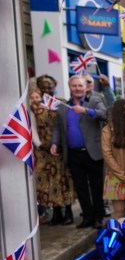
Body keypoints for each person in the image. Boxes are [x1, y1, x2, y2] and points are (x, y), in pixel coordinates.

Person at [51, 74, 108, 228]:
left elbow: (105, 114)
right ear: (70, 87)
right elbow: (58, 127)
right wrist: (55, 143)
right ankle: (87, 216)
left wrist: (85, 110)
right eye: (74, 86)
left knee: (96, 187)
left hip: (92, 152)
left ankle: (98, 216)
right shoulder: (63, 106)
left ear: (85, 87)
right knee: (81, 187)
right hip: (73, 153)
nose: (77, 89)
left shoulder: (94, 101)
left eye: (80, 85)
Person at [29, 86, 76, 225]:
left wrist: (61, 142)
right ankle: (56, 213)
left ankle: (68, 211)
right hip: (43, 151)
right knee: (48, 182)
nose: (35, 100)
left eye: (37, 97)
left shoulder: (56, 105)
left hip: (59, 148)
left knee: (63, 179)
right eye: (31, 98)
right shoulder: (31, 111)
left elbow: (63, 124)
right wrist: (40, 145)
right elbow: (32, 128)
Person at [101, 98, 125, 218]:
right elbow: (107, 155)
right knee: (119, 214)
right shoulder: (108, 131)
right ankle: (120, 236)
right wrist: (124, 176)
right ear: (119, 113)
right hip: (116, 178)